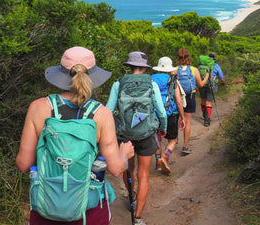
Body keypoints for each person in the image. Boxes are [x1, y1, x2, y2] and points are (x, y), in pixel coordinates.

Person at [16, 46, 135, 225]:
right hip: (90, 212)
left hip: (46, 208)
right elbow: (116, 169)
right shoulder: (101, 114)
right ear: (92, 76)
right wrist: (125, 153)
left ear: (62, 74)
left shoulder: (38, 108)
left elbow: (24, 164)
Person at [106, 51, 167, 225]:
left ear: (129, 66)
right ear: (144, 67)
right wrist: (162, 128)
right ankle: (138, 218)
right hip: (146, 133)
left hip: (125, 135)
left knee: (128, 170)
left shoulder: (118, 83)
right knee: (144, 175)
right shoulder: (151, 83)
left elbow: (109, 110)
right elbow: (161, 111)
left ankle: (131, 197)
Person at [151, 56, 187, 174]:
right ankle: (165, 157)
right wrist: (182, 117)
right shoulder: (173, 80)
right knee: (173, 139)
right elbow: (178, 101)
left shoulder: (151, 79)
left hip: (155, 112)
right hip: (170, 113)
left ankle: (157, 163)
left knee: (158, 139)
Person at [176, 48, 209, 155]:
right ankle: (185, 146)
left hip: (178, 97)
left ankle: (174, 139)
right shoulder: (194, 70)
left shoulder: (175, 69)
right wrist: (207, 76)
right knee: (188, 121)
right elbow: (201, 84)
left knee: (178, 118)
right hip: (190, 96)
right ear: (188, 57)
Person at [200, 52, 226, 126]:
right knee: (209, 102)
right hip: (212, 86)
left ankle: (204, 115)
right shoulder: (216, 66)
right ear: (214, 59)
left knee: (203, 100)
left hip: (202, 85)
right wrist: (223, 83)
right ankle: (207, 120)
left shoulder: (202, 65)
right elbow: (222, 78)